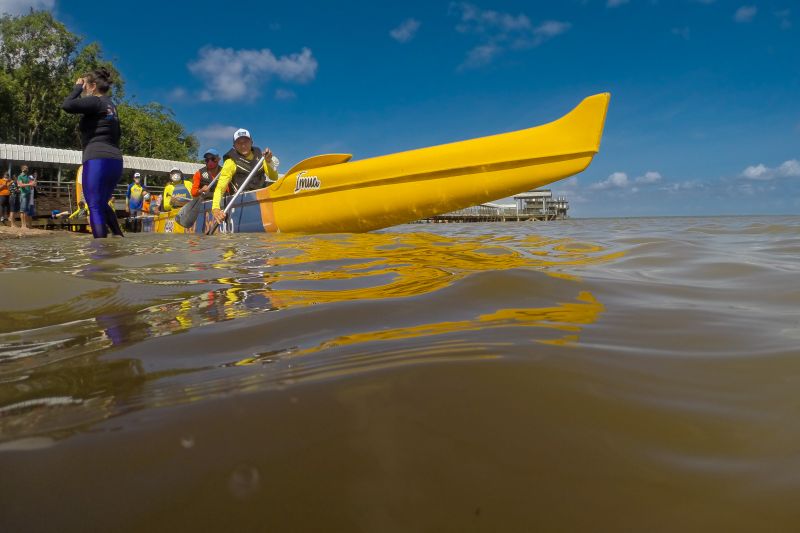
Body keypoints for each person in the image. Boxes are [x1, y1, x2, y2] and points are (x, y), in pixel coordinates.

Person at [61, 67, 124, 238]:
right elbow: (117, 134)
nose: (85, 90)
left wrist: (77, 88)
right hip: (115, 160)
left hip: (97, 158)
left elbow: (67, 105)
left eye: (86, 86)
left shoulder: (96, 101)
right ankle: (119, 239)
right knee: (102, 203)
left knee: (94, 204)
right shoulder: (111, 105)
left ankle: (99, 253)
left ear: (93, 86)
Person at [211, 129, 278, 224]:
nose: (243, 145)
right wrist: (215, 209)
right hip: (241, 202)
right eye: (239, 143)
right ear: (234, 146)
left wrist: (268, 161)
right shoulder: (230, 162)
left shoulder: (261, 156)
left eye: (246, 142)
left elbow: (274, 177)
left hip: (262, 199)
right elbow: (220, 188)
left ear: (251, 142)